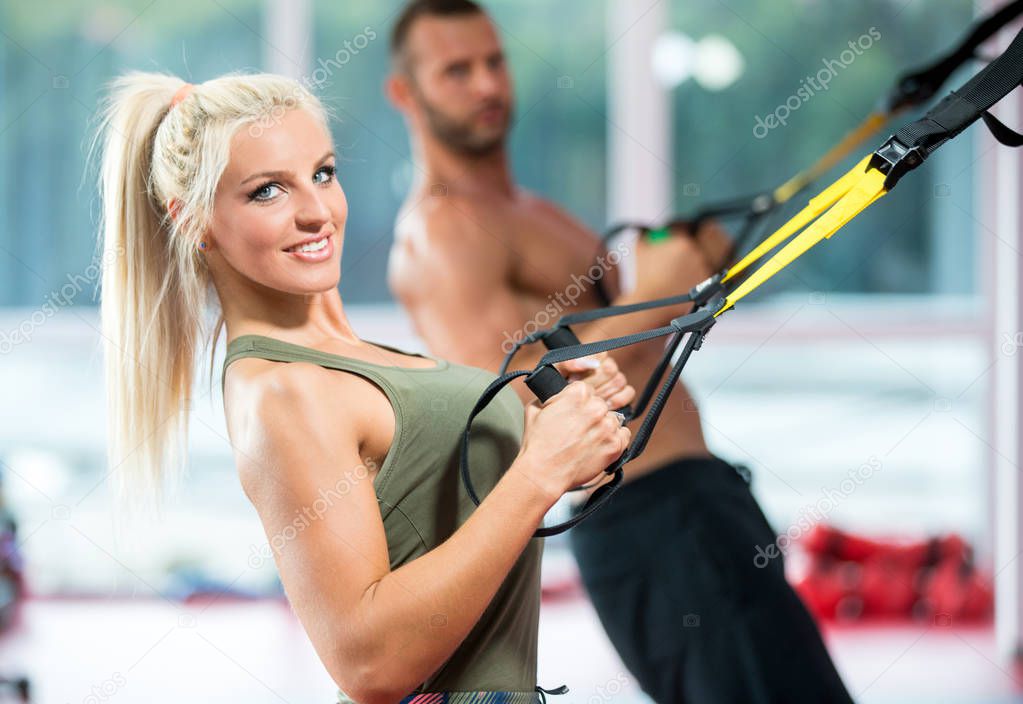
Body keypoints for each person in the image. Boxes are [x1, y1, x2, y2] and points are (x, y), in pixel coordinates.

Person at [93, 70, 637, 703]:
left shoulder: (352, 359)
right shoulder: (282, 393)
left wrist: (567, 438)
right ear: (193, 221)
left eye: (322, 173)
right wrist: (537, 474)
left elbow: (465, 518)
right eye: (267, 191)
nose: (316, 211)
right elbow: (369, 664)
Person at [385, 2, 855, 702]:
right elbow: (518, 409)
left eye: (494, 62)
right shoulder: (440, 236)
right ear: (405, 93)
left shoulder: (531, 211)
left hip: (699, 502)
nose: (487, 85)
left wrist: (680, 274)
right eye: (457, 70)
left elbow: (626, 342)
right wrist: (665, 295)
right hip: (649, 525)